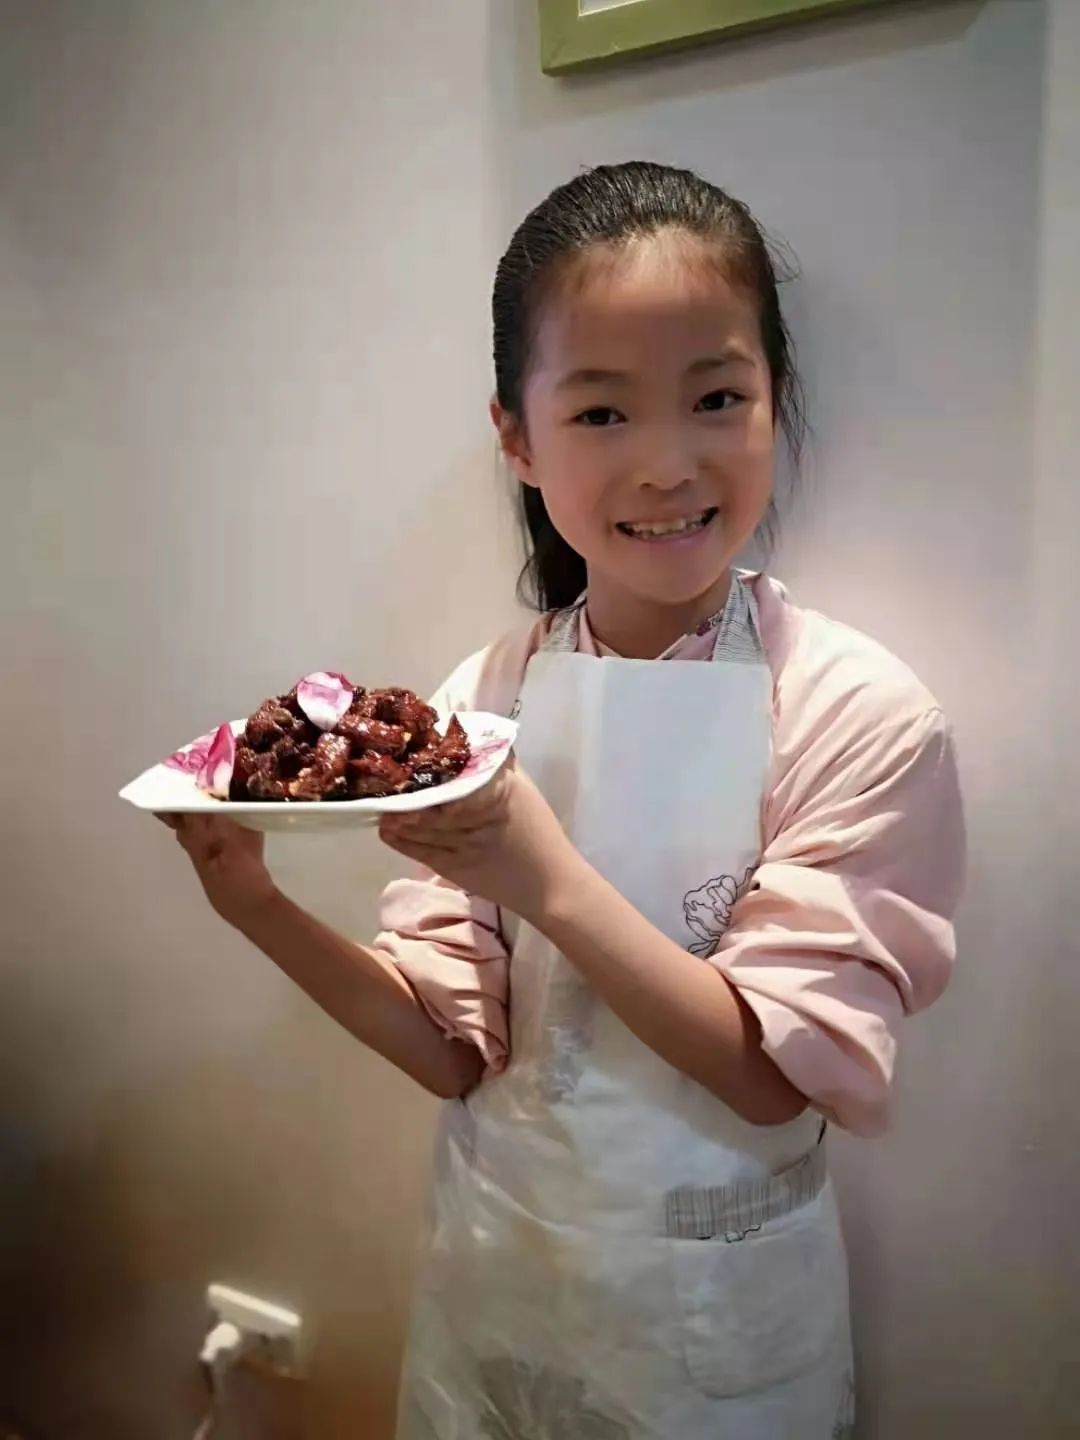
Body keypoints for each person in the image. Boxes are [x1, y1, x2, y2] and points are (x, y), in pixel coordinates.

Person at [165, 162, 966, 1438]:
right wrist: (251, 901)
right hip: (500, 1285)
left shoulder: (857, 714)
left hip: (716, 1328)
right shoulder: (481, 699)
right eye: (601, 413)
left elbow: (773, 1082)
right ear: (519, 438)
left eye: (716, 397)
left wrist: (543, 882)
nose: (666, 464)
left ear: (775, 399)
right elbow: (451, 1053)